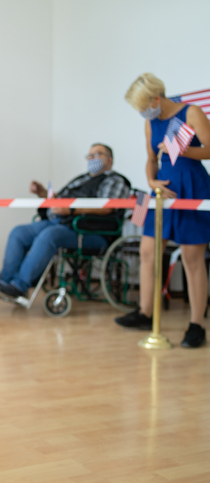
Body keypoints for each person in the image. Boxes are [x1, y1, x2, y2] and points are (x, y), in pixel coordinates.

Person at [116, 73, 210, 348]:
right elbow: (150, 160)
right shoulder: (150, 123)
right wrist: (151, 181)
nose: (144, 112)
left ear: (156, 98)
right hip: (161, 193)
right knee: (148, 251)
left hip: (192, 187)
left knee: (192, 259)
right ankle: (145, 312)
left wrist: (182, 150)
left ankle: (197, 325)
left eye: (144, 106)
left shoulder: (191, 112)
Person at [0, 143, 130, 303]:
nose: (91, 159)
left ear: (109, 160)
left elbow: (106, 208)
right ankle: (4, 283)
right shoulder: (82, 179)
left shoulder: (115, 181)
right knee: (19, 232)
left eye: (97, 155)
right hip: (63, 223)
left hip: (91, 231)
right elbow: (59, 199)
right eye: (89, 156)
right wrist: (42, 192)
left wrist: (72, 210)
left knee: (49, 235)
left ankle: (19, 286)